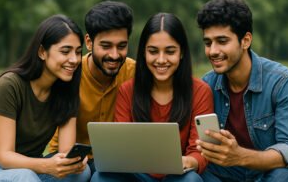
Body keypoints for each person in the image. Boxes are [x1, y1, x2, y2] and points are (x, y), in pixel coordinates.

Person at [91, 12, 214, 182]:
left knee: (191, 180)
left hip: (178, 175)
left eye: (170, 51)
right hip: (139, 174)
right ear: (143, 53)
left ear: (182, 53)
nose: (161, 60)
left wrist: (187, 161)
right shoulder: (127, 90)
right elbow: (122, 148)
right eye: (153, 51)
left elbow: (199, 151)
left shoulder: (200, 91)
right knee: (101, 178)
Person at [195, 0, 288, 182]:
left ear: (246, 41)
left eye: (222, 41)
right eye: (208, 43)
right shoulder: (205, 85)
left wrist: (240, 156)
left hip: (264, 175)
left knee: (286, 176)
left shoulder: (282, 83)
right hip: (221, 175)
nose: (213, 51)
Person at [0, 15, 91, 181]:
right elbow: (4, 157)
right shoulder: (10, 85)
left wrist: (73, 162)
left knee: (80, 173)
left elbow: (65, 151)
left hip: (33, 167)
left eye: (78, 52)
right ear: (42, 52)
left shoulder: (67, 89)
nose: (74, 60)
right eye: (65, 51)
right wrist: (45, 165)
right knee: (25, 176)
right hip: (3, 168)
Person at [48, 0, 135, 174]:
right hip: (69, 160)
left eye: (122, 46)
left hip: (116, 162)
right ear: (89, 42)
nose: (115, 55)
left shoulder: (135, 73)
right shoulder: (70, 74)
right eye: (106, 46)